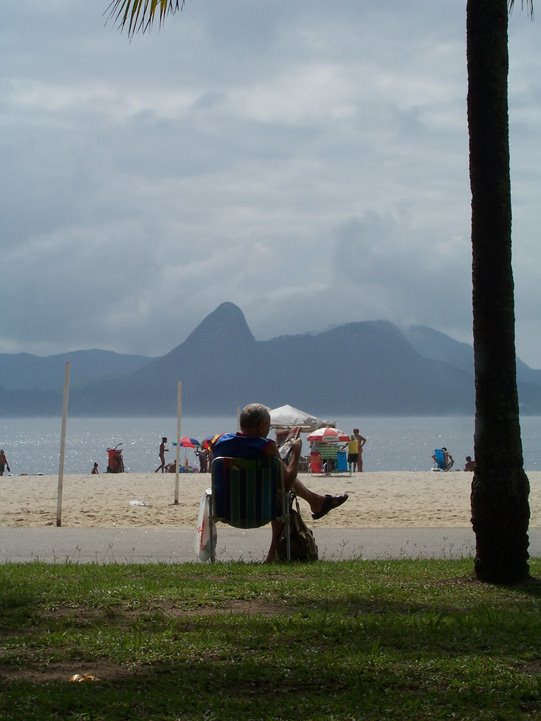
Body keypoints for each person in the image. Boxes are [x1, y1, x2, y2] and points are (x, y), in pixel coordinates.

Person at [211, 404, 348, 561]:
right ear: (262, 426)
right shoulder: (267, 447)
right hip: (263, 511)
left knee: (276, 477)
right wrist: (296, 452)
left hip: (226, 509)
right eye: (268, 427)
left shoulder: (219, 441)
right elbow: (287, 483)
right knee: (280, 493)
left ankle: (316, 501)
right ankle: (272, 554)